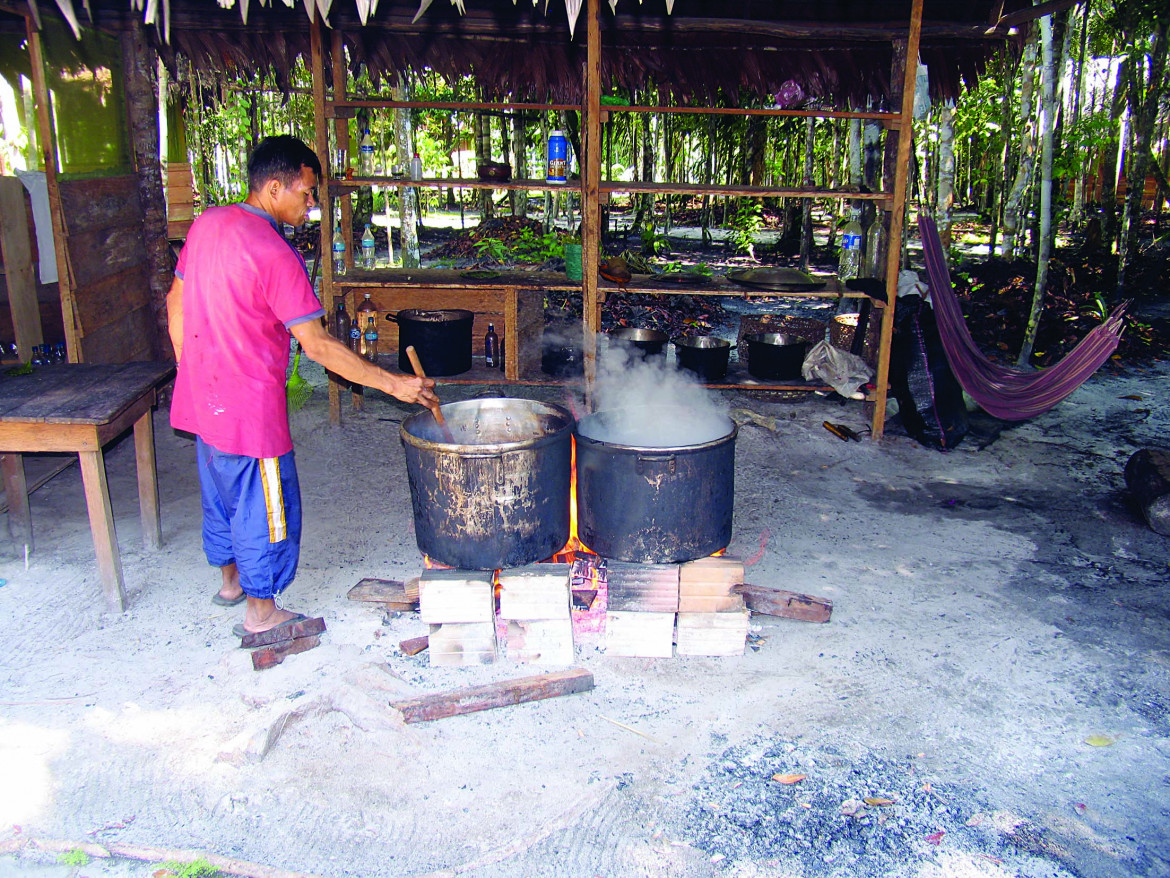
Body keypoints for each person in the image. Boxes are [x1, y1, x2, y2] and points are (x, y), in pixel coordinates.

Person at [166, 135, 437, 637]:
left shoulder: (207, 224)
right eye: (306, 194)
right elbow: (318, 346)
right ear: (274, 188)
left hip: (204, 399)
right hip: (249, 409)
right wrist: (394, 385)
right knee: (266, 506)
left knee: (221, 491)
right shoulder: (273, 252)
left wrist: (192, 367)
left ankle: (230, 584)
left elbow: (174, 302)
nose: (311, 206)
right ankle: (262, 613)